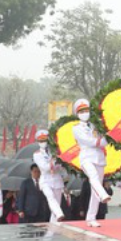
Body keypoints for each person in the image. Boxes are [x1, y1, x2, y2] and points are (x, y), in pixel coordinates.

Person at [72, 98, 111, 228]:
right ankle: (103, 194)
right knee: (93, 177)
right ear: (77, 114)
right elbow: (86, 140)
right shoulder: (76, 128)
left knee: (95, 188)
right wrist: (98, 141)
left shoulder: (96, 125)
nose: (85, 113)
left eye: (86, 110)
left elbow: (105, 140)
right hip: (86, 157)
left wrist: (100, 141)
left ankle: (91, 217)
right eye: (81, 111)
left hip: (99, 158)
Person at [33, 129, 67, 223]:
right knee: (50, 197)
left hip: (57, 180)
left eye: (44, 140)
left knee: (56, 203)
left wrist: (58, 162)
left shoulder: (55, 151)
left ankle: (54, 225)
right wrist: (54, 163)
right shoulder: (37, 154)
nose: (43, 142)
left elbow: (61, 165)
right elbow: (44, 167)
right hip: (46, 180)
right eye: (40, 141)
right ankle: (59, 213)